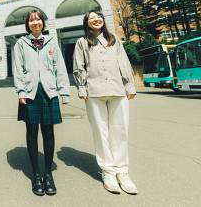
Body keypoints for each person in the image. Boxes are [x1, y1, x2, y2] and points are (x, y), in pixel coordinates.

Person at [72, 11, 138, 195]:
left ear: (103, 20)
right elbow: (79, 67)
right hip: (94, 92)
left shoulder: (114, 39)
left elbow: (123, 62)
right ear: (87, 22)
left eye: (98, 16)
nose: (96, 19)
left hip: (118, 90)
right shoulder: (82, 42)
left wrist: (129, 85)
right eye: (91, 17)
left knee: (120, 130)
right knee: (100, 132)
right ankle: (108, 171)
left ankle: (122, 171)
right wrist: (82, 88)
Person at [13, 10, 70, 196]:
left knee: (48, 131)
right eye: (31, 20)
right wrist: (21, 91)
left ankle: (48, 174)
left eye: (38, 19)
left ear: (43, 23)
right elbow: (18, 69)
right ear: (27, 24)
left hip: (49, 90)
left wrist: (64, 93)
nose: (35, 22)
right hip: (29, 91)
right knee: (31, 130)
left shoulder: (51, 42)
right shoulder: (21, 43)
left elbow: (59, 67)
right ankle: (36, 174)